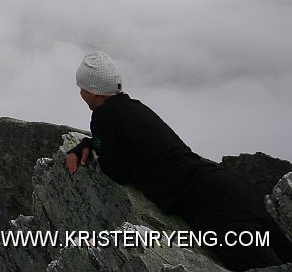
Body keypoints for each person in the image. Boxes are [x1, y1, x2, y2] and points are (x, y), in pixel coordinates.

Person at [67, 51, 292, 271]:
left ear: (94, 92)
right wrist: (93, 141)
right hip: (231, 189)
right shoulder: (135, 107)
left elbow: (117, 172)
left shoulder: (104, 117)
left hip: (215, 209)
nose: (81, 93)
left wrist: (97, 144)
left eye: (82, 89)